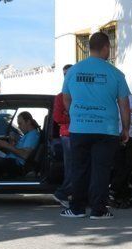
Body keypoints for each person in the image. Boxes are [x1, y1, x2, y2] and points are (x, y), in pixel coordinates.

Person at [60, 32, 131, 220]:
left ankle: (77, 209)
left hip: (79, 128)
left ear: (90, 47)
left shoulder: (73, 71)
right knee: (101, 170)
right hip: (106, 130)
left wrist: (76, 113)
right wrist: (125, 129)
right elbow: (124, 104)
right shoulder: (116, 74)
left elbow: (66, 98)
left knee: (79, 169)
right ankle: (98, 211)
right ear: (106, 47)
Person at [110, 93, 132, 207]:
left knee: (129, 165)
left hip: (131, 134)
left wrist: (122, 115)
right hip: (115, 133)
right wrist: (124, 114)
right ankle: (120, 196)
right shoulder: (112, 96)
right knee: (119, 165)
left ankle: (114, 190)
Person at [52, 64, 73, 209]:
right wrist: (73, 117)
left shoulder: (77, 94)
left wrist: (70, 115)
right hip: (67, 136)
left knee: (77, 166)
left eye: (69, 74)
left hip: (76, 135)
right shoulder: (60, 97)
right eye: (65, 74)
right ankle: (63, 192)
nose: (67, 77)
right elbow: (58, 118)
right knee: (72, 167)